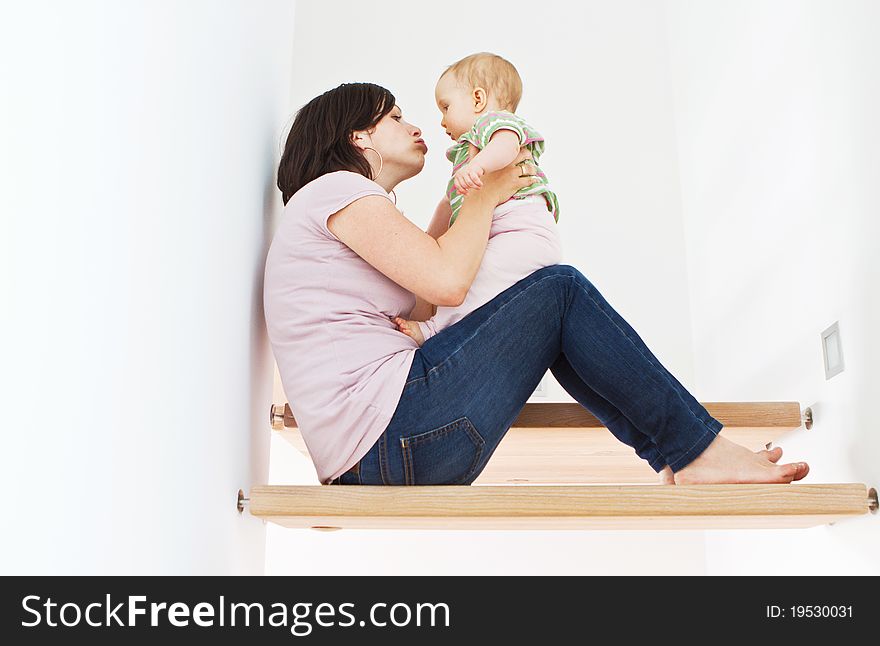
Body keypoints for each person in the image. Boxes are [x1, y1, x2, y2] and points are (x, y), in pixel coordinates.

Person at [264, 81, 810, 487]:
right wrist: (487, 192)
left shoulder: (351, 216)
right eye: (396, 118)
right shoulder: (334, 189)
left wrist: (470, 202)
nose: (415, 128)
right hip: (392, 435)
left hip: (388, 446)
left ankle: (679, 454)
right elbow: (449, 283)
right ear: (360, 135)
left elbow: (432, 291)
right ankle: (694, 450)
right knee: (558, 291)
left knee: (548, 303)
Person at [392, 52, 563, 347]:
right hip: (510, 237)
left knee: (471, 280)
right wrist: (430, 239)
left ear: (478, 100)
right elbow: (449, 203)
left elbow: (507, 145)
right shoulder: (470, 148)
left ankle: (433, 330)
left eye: (446, 107)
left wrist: (478, 165)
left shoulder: (495, 124)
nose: (442, 120)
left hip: (523, 233)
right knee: (476, 284)